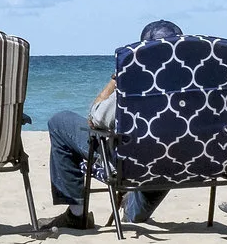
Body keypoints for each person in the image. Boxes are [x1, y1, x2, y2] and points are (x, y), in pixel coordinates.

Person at [45, 18, 185, 231]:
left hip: (131, 164)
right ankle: (135, 210)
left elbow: (95, 119)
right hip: (182, 163)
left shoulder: (138, 85)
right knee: (163, 149)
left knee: (59, 122)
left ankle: (76, 214)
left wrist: (116, 79)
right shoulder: (199, 87)